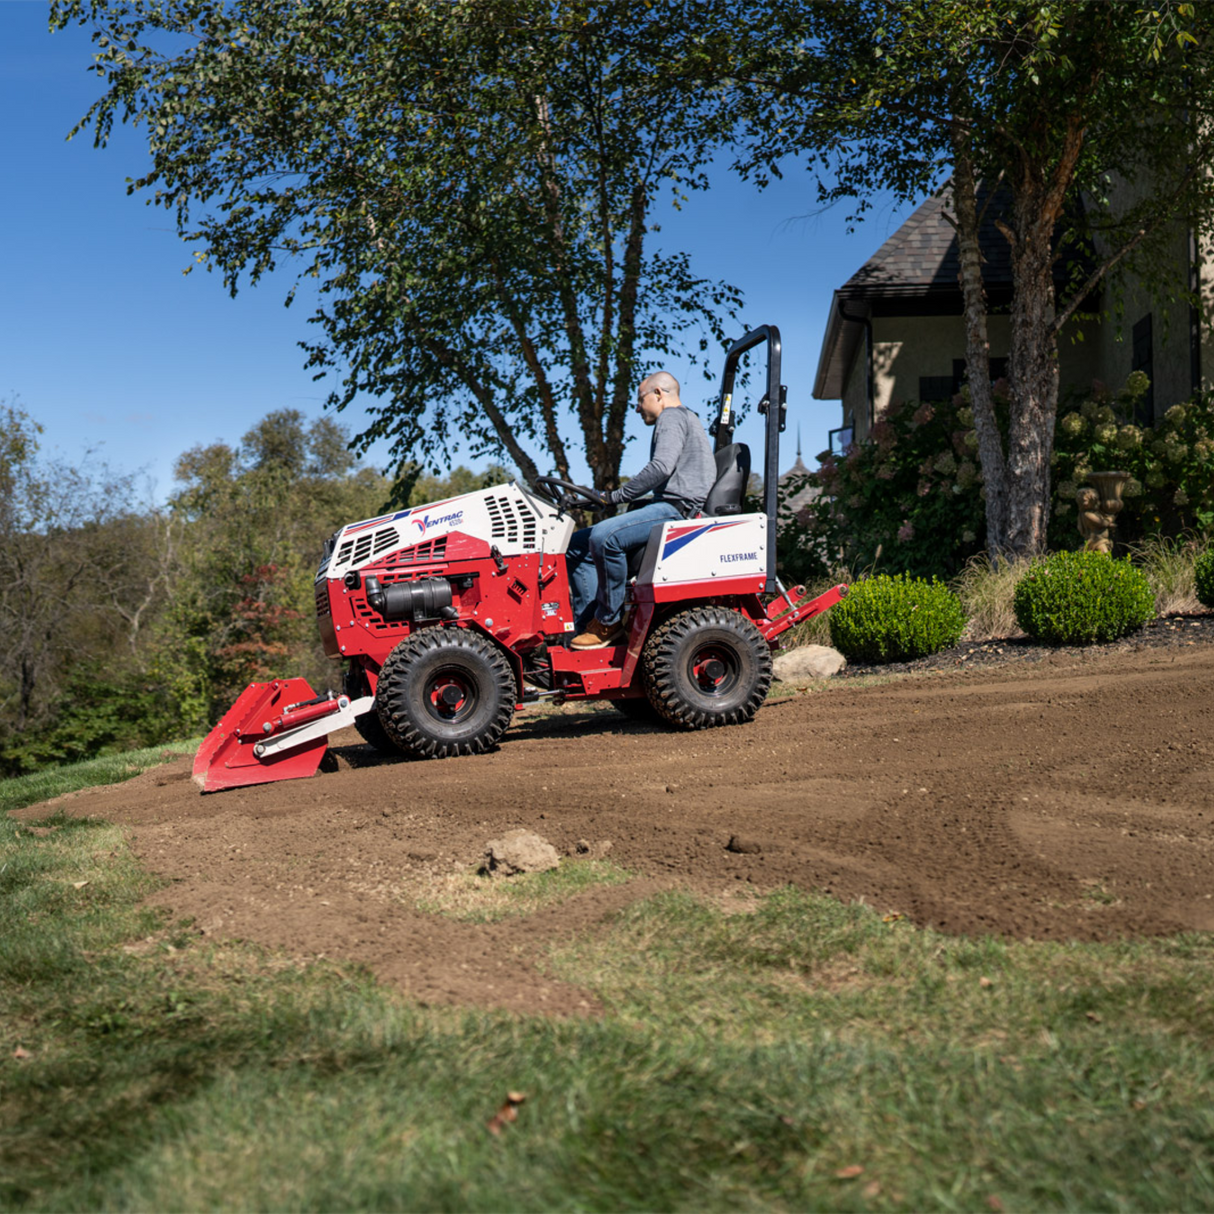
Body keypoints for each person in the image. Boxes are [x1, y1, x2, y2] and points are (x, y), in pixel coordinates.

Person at [565, 370, 716, 648]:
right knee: (576, 546)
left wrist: (615, 497)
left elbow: (661, 467)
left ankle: (608, 622)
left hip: (676, 509)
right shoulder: (685, 419)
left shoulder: (671, 417)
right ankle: (588, 626)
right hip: (667, 504)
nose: (636, 407)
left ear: (658, 394)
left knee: (605, 537)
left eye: (640, 399)